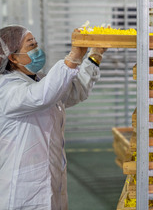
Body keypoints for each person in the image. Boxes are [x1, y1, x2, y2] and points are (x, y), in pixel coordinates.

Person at [0, 25, 106, 210]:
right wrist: (73, 58)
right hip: (23, 187)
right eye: (30, 46)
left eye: (36, 44)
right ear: (13, 57)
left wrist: (95, 55)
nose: (37, 50)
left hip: (49, 176)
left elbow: (74, 90)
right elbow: (41, 96)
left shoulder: (37, 79)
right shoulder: (7, 89)